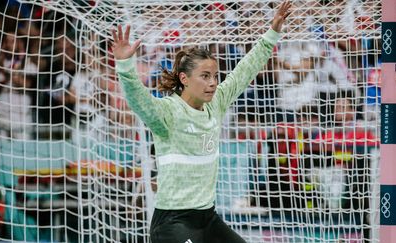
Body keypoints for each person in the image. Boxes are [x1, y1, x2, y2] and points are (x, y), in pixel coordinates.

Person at [111, 1, 292, 242]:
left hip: (207, 219)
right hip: (172, 223)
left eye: (215, 76)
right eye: (205, 76)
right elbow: (138, 99)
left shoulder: (215, 103)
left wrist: (272, 34)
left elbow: (244, 71)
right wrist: (125, 65)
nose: (213, 82)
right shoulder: (168, 112)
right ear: (184, 79)